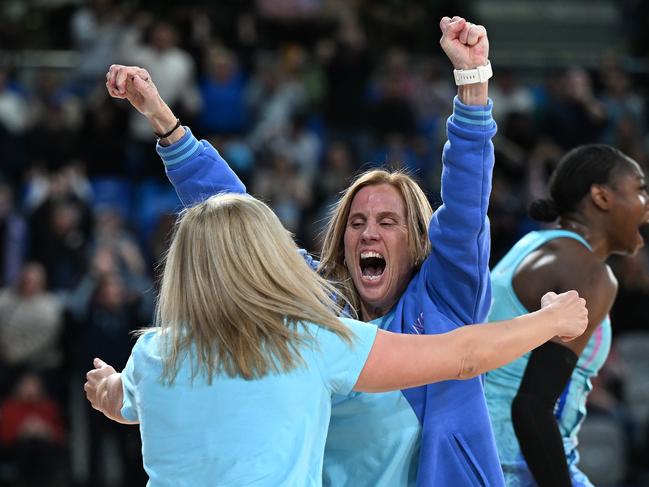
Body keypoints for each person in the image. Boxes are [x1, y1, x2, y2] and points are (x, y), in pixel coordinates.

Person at [105, 16, 505, 486]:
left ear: (419, 242)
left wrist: (473, 82)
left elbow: (464, 207)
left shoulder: (446, 298)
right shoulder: (312, 306)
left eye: (387, 222)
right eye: (356, 222)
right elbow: (235, 223)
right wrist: (164, 121)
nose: (369, 233)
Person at [85, 192, 589, 487]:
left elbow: (118, 402)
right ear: (265, 260)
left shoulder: (153, 353)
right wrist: (549, 321)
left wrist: (108, 385)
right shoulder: (309, 343)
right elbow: (462, 356)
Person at [484, 144, 649, 486]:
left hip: (481, 453)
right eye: (640, 189)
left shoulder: (534, 243)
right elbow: (530, 408)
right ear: (601, 197)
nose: (646, 209)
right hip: (510, 465)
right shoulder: (587, 272)